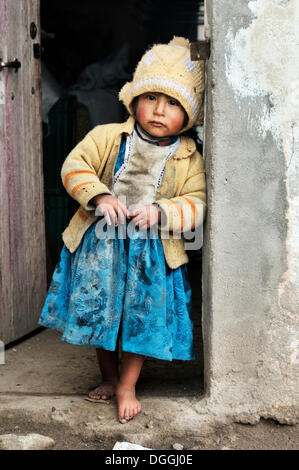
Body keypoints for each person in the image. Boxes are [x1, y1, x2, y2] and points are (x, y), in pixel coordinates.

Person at [38, 36, 206, 424]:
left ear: (190, 115)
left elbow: (196, 202)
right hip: (102, 250)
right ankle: (110, 377)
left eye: (174, 104)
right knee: (102, 314)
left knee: (139, 318)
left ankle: (128, 384)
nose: (159, 111)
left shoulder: (187, 157)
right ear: (133, 100)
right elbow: (74, 165)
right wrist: (98, 196)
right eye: (151, 98)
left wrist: (164, 212)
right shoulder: (108, 137)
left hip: (152, 260)